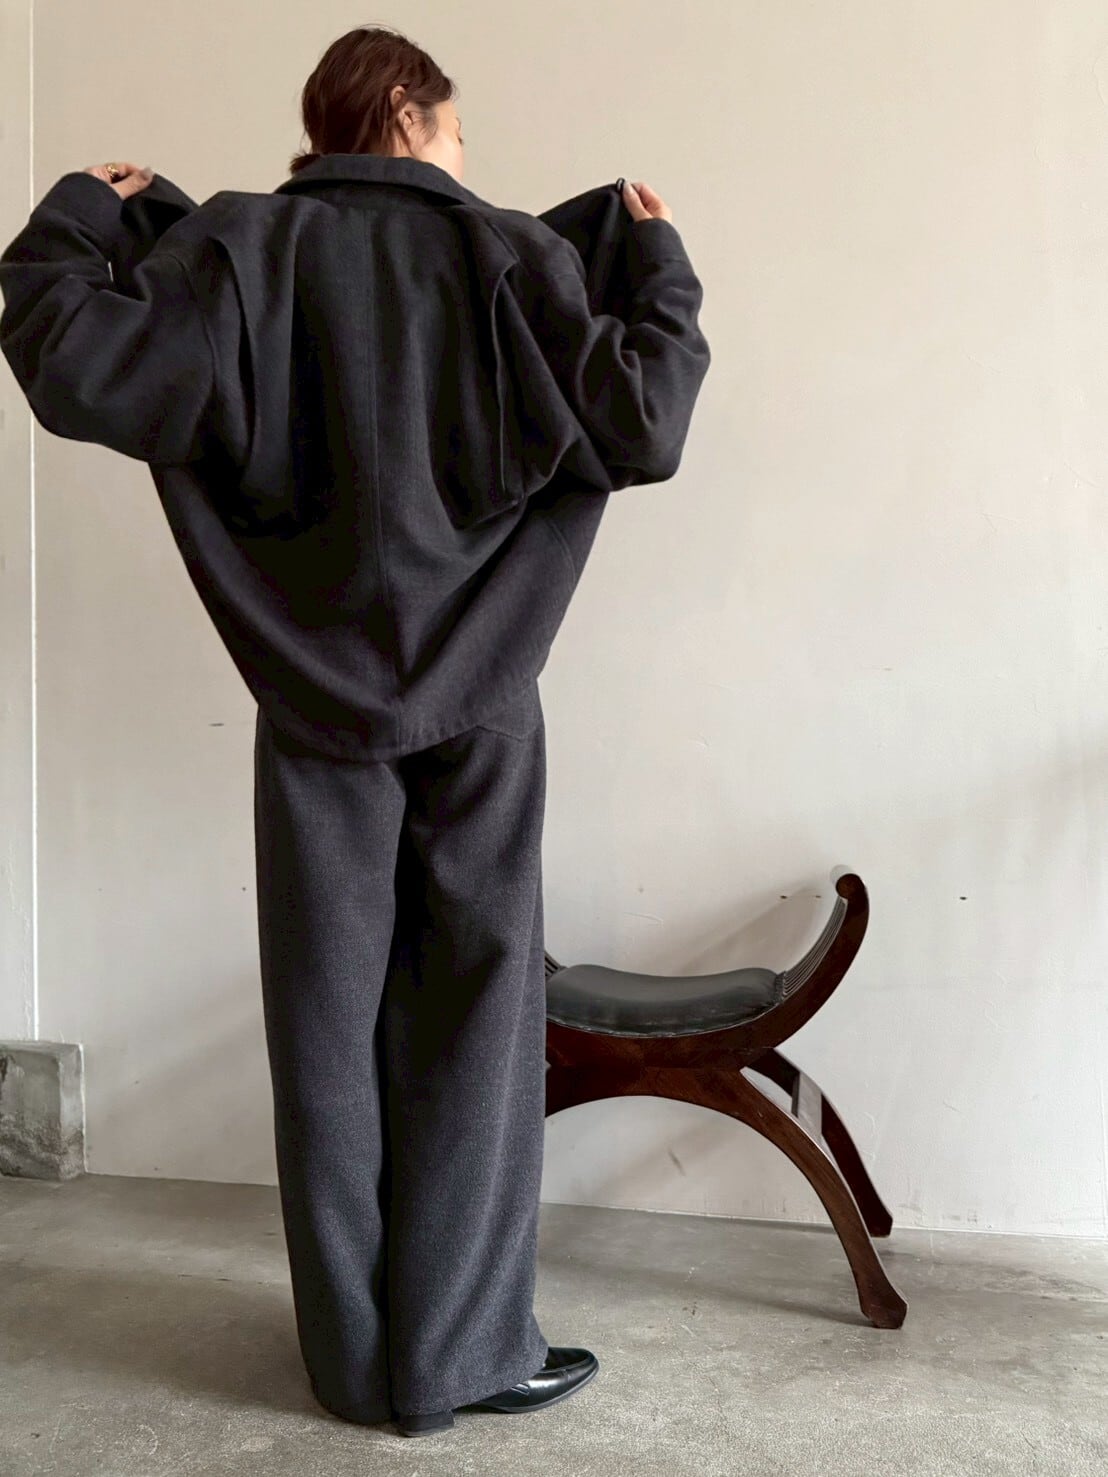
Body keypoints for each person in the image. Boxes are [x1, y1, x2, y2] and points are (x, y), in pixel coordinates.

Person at [0, 23, 710, 1442]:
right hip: (482, 700)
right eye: (457, 127)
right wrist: (661, 259)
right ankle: (461, 1356)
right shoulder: (513, 259)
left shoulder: (237, 256)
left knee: (326, 1027)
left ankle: (352, 1357)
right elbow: (646, 416)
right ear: (404, 113)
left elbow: (61, 341)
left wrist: (84, 207)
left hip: (314, 709)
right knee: (477, 1018)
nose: (465, 152)